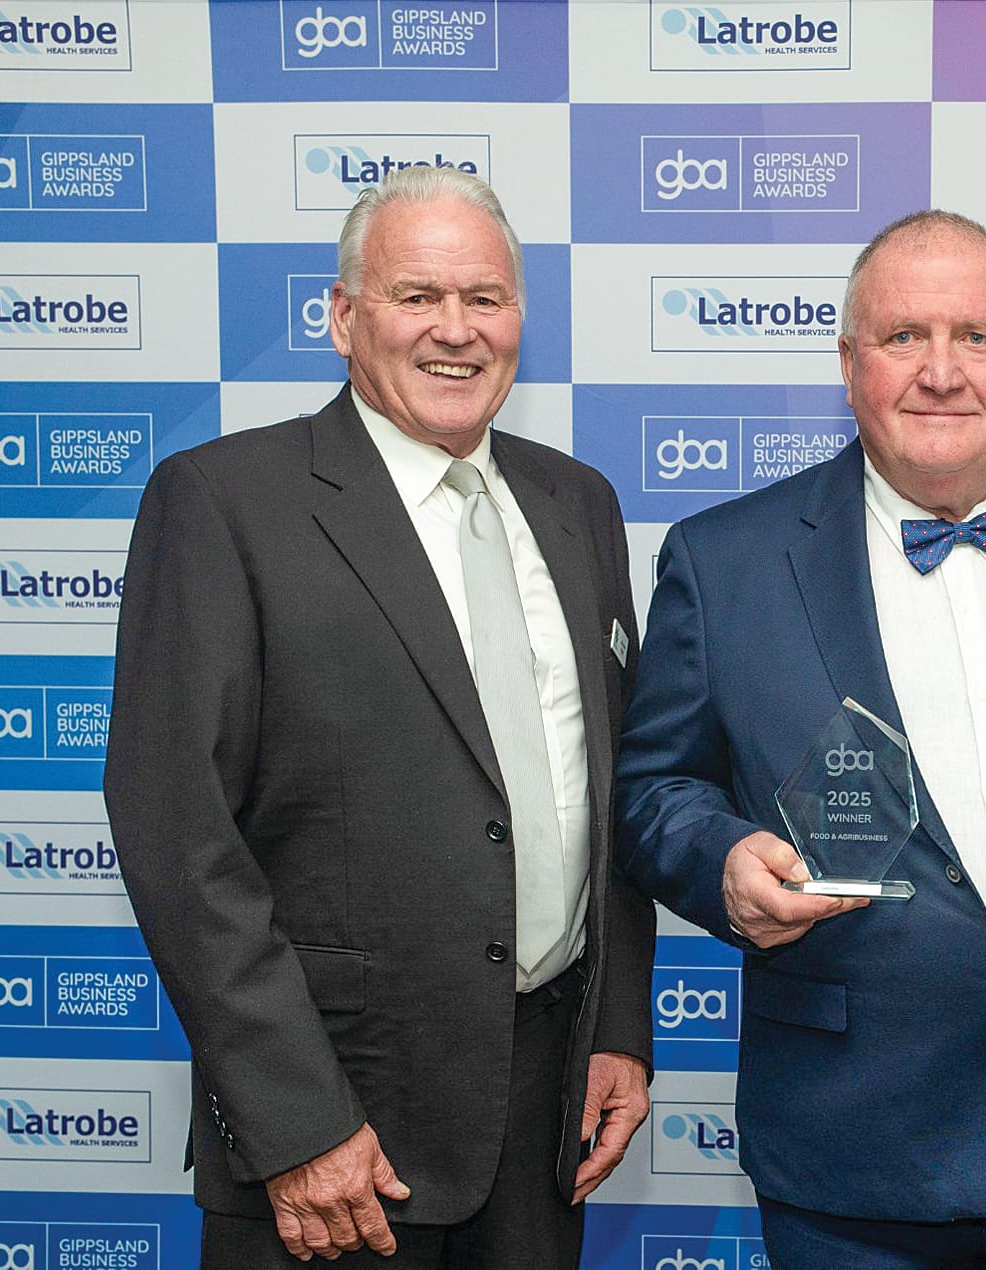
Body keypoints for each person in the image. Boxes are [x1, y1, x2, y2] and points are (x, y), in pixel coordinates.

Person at [615, 209, 986, 1266]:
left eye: (976, 337)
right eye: (902, 338)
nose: (941, 371)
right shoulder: (725, 561)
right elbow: (655, 788)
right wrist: (722, 861)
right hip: (856, 1154)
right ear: (848, 364)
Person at [103, 166, 655, 1267]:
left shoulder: (576, 502)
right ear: (343, 317)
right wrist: (296, 1123)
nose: (456, 330)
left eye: (486, 299)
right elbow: (178, 829)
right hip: (336, 1136)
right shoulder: (223, 502)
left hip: (545, 1119)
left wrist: (615, 1031)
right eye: (416, 296)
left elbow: (610, 788)